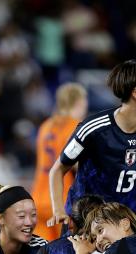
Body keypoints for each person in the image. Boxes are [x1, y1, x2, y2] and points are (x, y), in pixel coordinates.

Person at [47, 60, 136, 238]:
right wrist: (58, 210)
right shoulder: (93, 129)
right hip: (86, 228)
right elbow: (58, 169)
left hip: (128, 229)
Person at [30, 82, 88, 241]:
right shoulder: (75, 126)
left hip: (38, 199)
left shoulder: (45, 126)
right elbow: (78, 166)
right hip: (60, 201)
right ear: (79, 102)